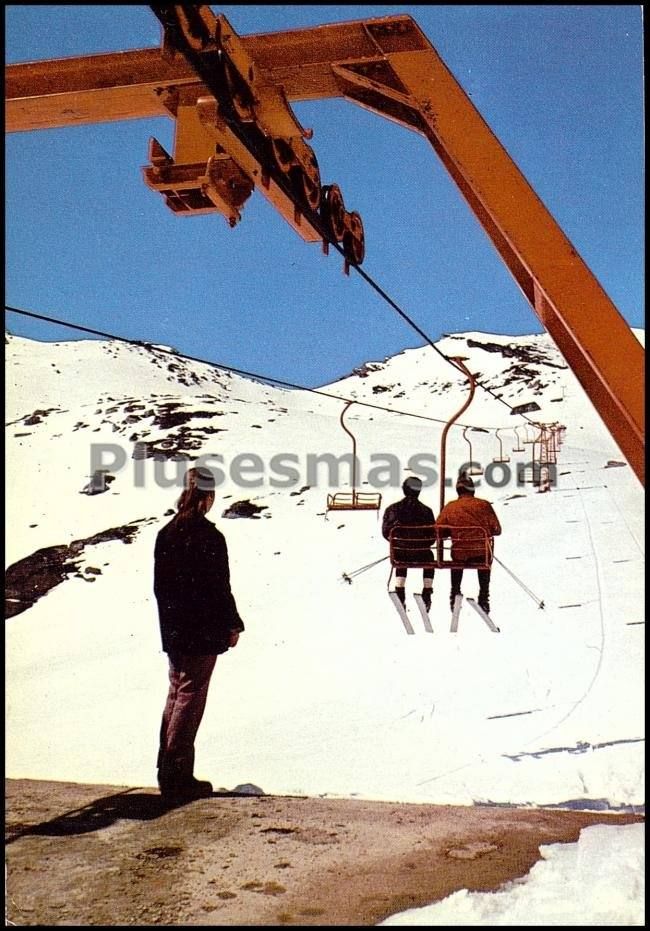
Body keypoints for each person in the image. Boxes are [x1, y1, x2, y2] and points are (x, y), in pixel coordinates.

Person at [153, 466, 245, 803]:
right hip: (202, 632)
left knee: (177, 693)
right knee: (191, 697)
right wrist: (232, 625)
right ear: (208, 497)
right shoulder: (209, 537)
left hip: (175, 630)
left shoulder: (167, 533)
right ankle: (177, 776)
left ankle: (167, 766)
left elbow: (160, 589)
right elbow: (220, 588)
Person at [435, 471, 502, 614]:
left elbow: (438, 531)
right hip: (481, 553)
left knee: (457, 558)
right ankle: (484, 595)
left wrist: (451, 531)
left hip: (460, 554)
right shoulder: (484, 505)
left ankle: (455, 592)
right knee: (484, 558)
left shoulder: (450, 507)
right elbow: (497, 529)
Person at [382, 476, 436, 610]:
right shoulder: (427, 511)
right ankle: (427, 590)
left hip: (400, 553)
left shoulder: (392, 509)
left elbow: (385, 532)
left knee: (400, 552)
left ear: (404, 490)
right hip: (422, 554)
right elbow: (433, 537)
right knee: (429, 557)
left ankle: (400, 589)